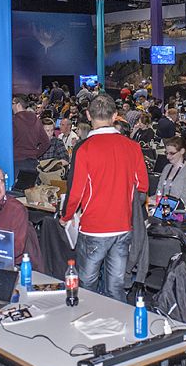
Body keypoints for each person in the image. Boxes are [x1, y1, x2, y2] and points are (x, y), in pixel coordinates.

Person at [60, 94, 148, 302]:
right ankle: (121, 328)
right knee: (116, 285)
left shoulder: (84, 148)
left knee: (87, 285)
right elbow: (142, 186)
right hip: (123, 227)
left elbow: (76, 192)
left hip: (94, 228)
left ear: (88, 115)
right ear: (116, 116)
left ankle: (86, 327)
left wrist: (67, 215)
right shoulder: (132, 147)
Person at [12, 95, 49, 174]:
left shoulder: (13, 121)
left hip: (16, 163)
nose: (11, 106)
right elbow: (46, 142)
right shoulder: (36, 119)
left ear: (18, 105)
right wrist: (35, 154)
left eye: (12, 103)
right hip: (33, 163)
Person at [156, 137, 186, 206]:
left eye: (172, 153)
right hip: (163, 209)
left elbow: (184, 200)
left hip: (181, 212)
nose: (168, 157)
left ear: (182, 151)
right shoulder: (167, 168)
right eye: (166, 153)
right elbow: (158, 193)